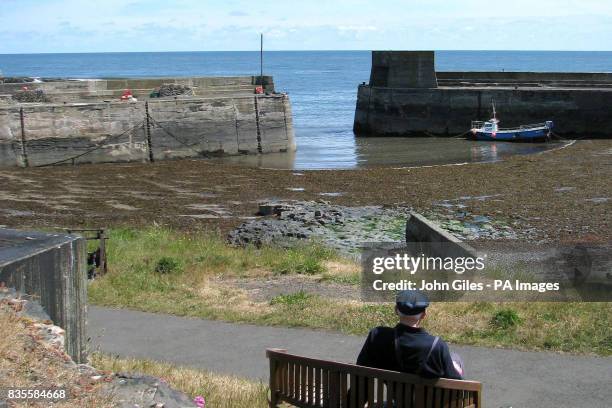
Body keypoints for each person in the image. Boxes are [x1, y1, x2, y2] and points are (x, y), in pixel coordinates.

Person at [356, 290, 464, 379]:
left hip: (397, 400)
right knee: (455, 358)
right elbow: (456, 386)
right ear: (423, 315)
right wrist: (455, 369)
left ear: (396, 310)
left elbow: (362, 373)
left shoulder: (377, 336)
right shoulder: (437, 346)